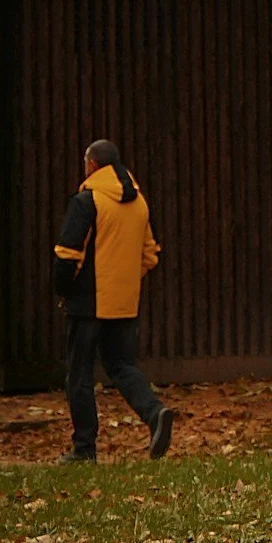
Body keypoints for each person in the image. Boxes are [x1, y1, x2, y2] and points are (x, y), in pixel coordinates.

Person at [52, 139, 177, 464]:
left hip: (87, 303)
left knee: (79, 374)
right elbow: (150, 255)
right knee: (121, 366)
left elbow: (68, 255)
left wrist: (63, 289)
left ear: (92, 165)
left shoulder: (87, 201)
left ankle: (84, 449)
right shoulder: (139, 203)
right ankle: (155, 413)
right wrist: (122, 280)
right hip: (123, 302)